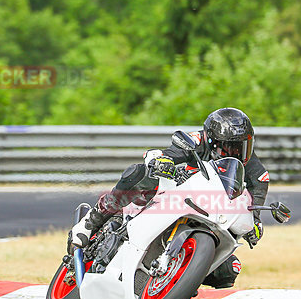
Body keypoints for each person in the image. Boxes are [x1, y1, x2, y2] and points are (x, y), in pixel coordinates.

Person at [68, 107, 269, 288]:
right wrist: (162, 162)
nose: (235, 153)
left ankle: (180, 280)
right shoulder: (196, 141)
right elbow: (170, 154)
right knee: (139, 174)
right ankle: (92, 220)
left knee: (229, 270)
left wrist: (255, 224)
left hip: (213, 211)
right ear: (211, 140)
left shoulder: (254, 168)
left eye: (242, 146)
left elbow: (255, 200)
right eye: (228, 147)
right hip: (177, 193)